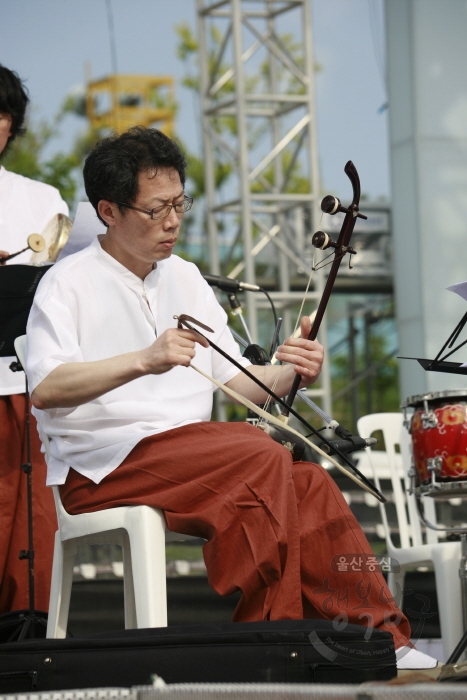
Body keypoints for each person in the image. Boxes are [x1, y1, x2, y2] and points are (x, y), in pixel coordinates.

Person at [25, 126, 436, 671]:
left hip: (200, 453)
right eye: (155, 210)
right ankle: (271, 646)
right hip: (103, 463)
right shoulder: (66, 282)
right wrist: (144, 359)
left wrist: (293, 369)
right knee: (258, 453)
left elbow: (243, 384)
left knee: (308, 481)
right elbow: (47, 389)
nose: (173, 221)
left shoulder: (186, 277)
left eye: (180, 204)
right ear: (108, 210)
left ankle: (383, 639)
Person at [0, 64, 68, 614]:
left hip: (23, 383)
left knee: (31, 521)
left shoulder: (41, 198)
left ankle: (30, 635)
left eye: (4, 115)